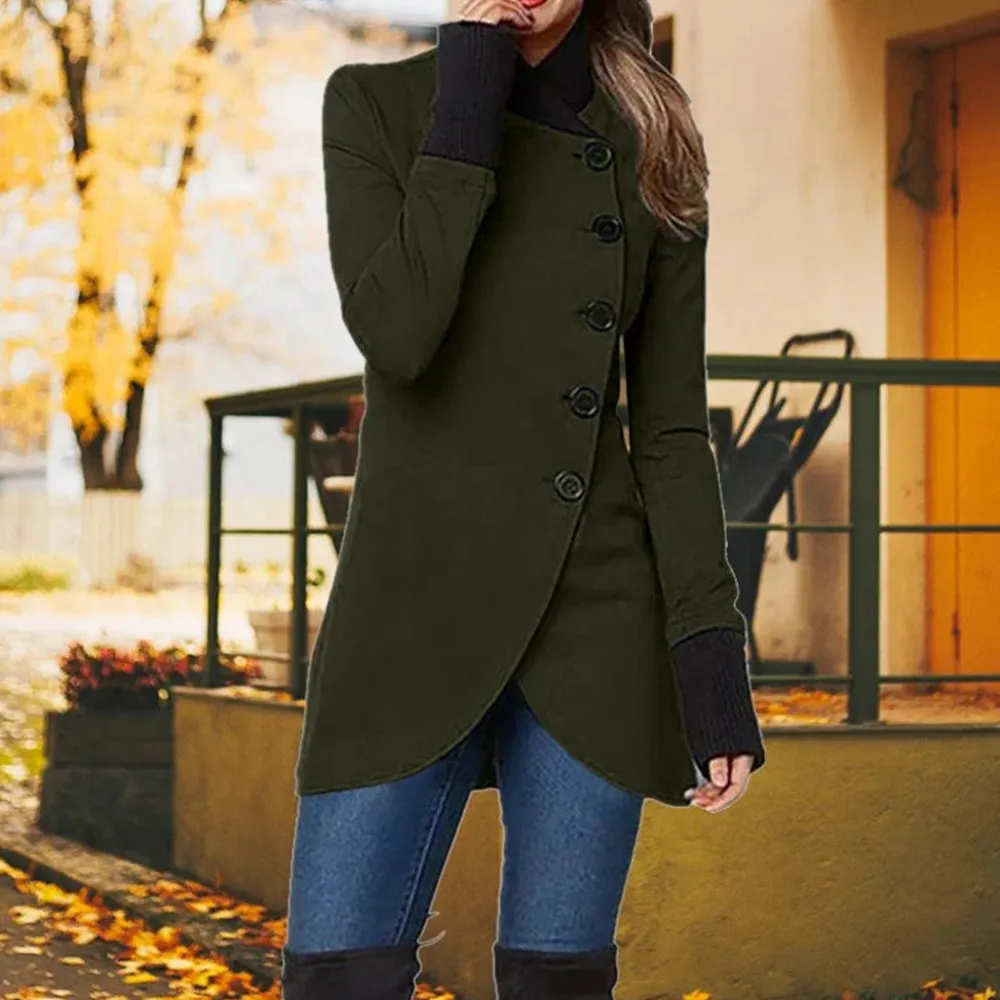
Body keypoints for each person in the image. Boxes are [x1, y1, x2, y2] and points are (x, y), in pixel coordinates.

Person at [281, 0, 766, 997]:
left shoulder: (651, 132)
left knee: (559, 982)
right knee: (336, 976)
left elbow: (671, 432)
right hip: (409, 605)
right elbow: (398, 335)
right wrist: (469, 96)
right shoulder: (374, 104)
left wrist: (711, 662)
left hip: (592, 615)